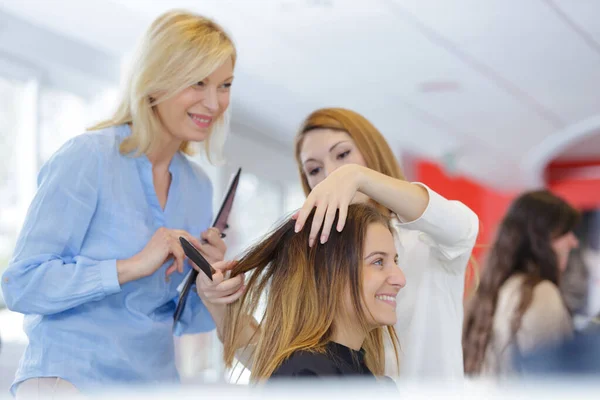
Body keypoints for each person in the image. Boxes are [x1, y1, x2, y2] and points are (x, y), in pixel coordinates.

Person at [1, 10, 235, 397]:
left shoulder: (197, 186)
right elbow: (21, 286)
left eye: (224, 85)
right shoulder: (88, 158)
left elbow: (181, 319)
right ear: (156, 81)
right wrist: (130, 266)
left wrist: (207, 283)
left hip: (154, 383)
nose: (214, 102)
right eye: (198, 82)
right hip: (70, 379)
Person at [198, 107, 479, 379]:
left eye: (343, 155)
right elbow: (278, 357)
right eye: (314, 169)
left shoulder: (426, 241)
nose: (331, 175)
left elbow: (462, 227)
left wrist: (357, 177)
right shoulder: (321, 259)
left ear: (373, 154)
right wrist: (220, 306)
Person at [217, 203, 405, 382]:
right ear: (328, 275)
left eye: (395, 261)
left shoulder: (352, 374)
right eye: (378, 261)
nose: (400, 279)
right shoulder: (305, 376)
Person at [462, 190, 580, 377]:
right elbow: (550, 380)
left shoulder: (494, 290)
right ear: (542, 237)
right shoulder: (541, 293)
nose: (574, 241)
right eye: (565, 232)